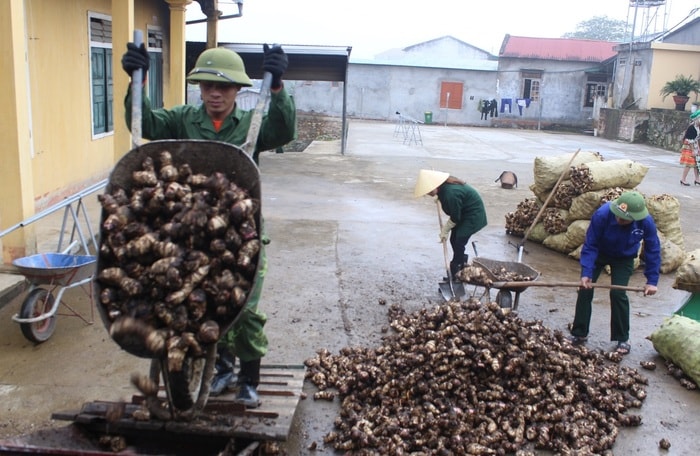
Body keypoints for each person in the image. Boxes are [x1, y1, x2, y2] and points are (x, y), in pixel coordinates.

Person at [121, 43, 296, 408]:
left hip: (240, 230)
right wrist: (136, 83)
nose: (215, 94)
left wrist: (278, 87)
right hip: (190, 229)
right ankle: (222, 369)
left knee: (243, 307)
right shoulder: (184, 119)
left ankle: (249, 377)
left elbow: (283, 131)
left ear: (237, 91)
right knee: (206, 306)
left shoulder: (252, 123)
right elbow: (147, 124)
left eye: (225, 88)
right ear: (199, 89)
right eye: (207, 87)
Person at [568, 191, 660, 355]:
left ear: (635, 218)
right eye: (617, 215)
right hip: (599, 253)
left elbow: (653, 249)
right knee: (585, 288)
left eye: (624, 219)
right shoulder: (602, 214)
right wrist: (586, 272)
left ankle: (622, 338)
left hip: (624, 258)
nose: (619, 219)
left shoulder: (646, 222)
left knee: (618, 293)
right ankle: (579, 332)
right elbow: (590, 244)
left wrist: (652, 280)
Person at [413, 169, 487, 279]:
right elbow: (455, 211)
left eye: (428, 191)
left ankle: (457, 269)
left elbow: (455, 217)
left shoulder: (450, 193)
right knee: (454, 239)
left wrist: (445, 229)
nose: (428, 194)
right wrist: (439, 198)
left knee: (459, 241)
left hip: (473, 216)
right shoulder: (443, 188)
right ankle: (461, 263)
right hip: (463, 213)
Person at [679, 110, 700, 186]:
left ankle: (697, 179)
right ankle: (683, 179)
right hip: (689, 146)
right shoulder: (691, 127)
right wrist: (693, 150)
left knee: (697, 163)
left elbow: (697, 139)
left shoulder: (698, 127)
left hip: (695, 145)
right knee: (689, 163)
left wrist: (698, 149)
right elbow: (690, 140)